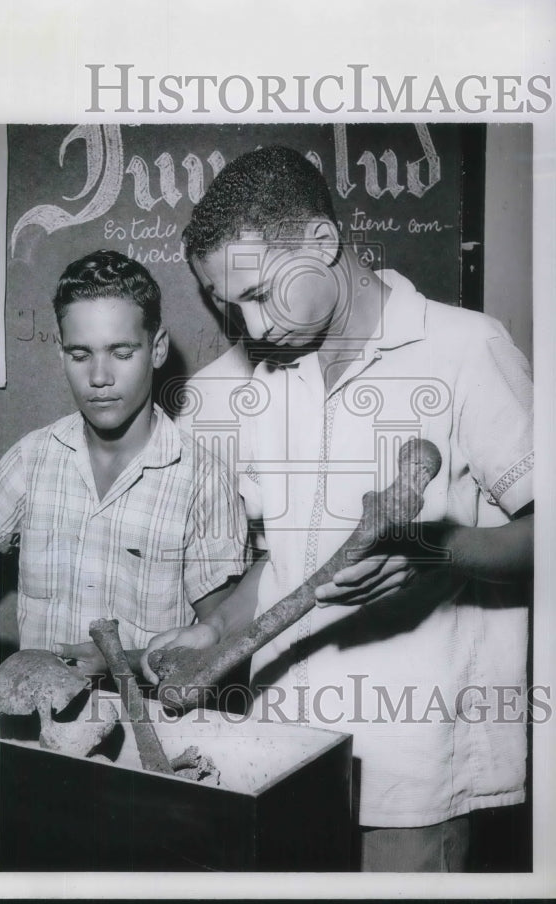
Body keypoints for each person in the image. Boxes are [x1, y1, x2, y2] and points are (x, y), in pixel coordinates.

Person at [142, 145, 534, 872]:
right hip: (285, 764)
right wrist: (218, 632)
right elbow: (288, 559)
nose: (252, 328)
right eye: (232, 306)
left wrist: (437, 550)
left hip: (415, 770)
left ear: (323, 243)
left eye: (261, 295)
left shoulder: (464, 350)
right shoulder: (254, 380)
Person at [0, 250, 247, 672]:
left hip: (147, 726)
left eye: (121, 352)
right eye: (80, 354)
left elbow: (221, 642)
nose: (99, 377)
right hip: (35, 727)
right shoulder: (32, 459)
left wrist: (123, 663)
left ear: (157, 349)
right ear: (60, 354)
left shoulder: (203, 481)